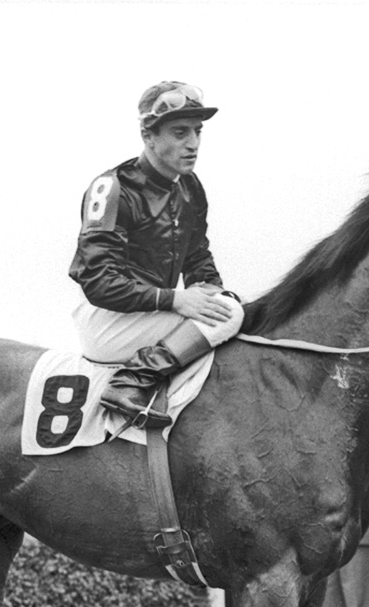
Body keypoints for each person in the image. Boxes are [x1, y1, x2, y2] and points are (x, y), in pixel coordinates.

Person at [68, 81, 244, 428]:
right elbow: (99, 282)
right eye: (180, 132)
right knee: (230, 316)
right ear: (148, 135)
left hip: (153, 314)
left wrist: (210, 290)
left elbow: (198, 259)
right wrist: (175, 300)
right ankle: (128, 382)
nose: (192, 144)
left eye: (197, 132)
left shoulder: (190, 187)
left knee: (234, 307)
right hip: (108, 319)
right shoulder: (112, 188)